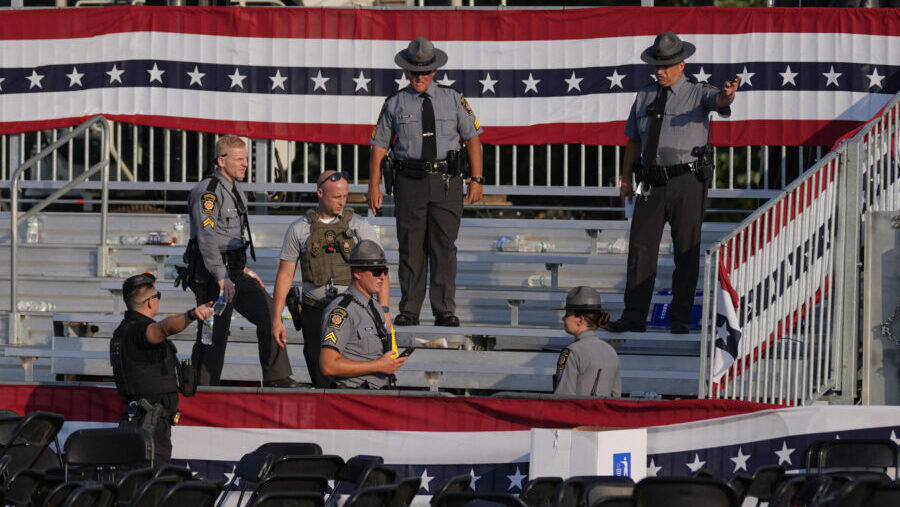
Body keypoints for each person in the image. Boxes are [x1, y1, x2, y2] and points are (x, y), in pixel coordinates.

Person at [608, 32, 740, 335]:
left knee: (686, 250)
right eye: (657, 65)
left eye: (666, 65)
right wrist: (625, 177)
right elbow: (633, 140)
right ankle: (634, 316)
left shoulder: (698, 92)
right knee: (641, 249)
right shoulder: (644, 95)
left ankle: (679, 318)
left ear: (681, 65)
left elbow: (719, 100)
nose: (660, 71)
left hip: (687, 181)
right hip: (649, 181)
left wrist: (728, 95)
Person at [367, 36, 484, 328]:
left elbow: (472, 139)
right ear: (407, 72)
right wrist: (373, 185)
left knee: (444, 247)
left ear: (434, 72)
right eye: (414, 72)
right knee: (411, 248)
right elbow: (379, 146)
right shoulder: (395, 102)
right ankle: (410, 309)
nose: (419, 77)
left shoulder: (454, 98)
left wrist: (477, 179)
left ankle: (445, 310)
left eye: (424, 72)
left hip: (446, 182)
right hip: (409, 181)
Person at [184, 134, 297, 387]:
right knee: (214, 332)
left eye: (246, 159)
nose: (245, 164)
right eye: (239, 159)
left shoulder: (234, 187)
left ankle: (277, 378)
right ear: (221, 161)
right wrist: (222, 276)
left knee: (270, 312)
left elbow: (230, 236)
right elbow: (207, 237)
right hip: (214, 275)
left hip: (234, 270)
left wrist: (242, 268)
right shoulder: (209, 192)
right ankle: (202, 387)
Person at [270, 170, 390, 388]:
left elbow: (380, 270)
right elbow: (285, 275)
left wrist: (384, 311)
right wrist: (277, 318)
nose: (341, 202)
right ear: (319, 193)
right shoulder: (299, 228)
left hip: (353, 312)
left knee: (353, 376)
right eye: (336, 197)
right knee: (321, 375)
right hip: (315, 310)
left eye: (345, 196)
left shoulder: (359, 226)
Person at [110, 273, 212, 464]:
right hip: (149, 425)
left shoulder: (124, 330)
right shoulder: (137, 330)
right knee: (150, 480)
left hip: (144, 421)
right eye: (158, 296)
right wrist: (192, 314)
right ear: (150, 301)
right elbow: (163, 328)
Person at [320, 240, 408, 389]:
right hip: (354, 398)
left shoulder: (375, 307)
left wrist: (388, 364)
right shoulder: (342, 311)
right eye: (376, 271)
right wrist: (378, 366)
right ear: (357, 273)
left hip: (378, 395)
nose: (382, 277)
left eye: (384, 271)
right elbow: (328, 365)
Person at [554, 286, 622, 397]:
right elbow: (616, 397)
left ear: (580, 320)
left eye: (567, 314)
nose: (563, 318)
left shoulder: (570, 352)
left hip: (578, 414)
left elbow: (563, 399)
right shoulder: (611, 352)